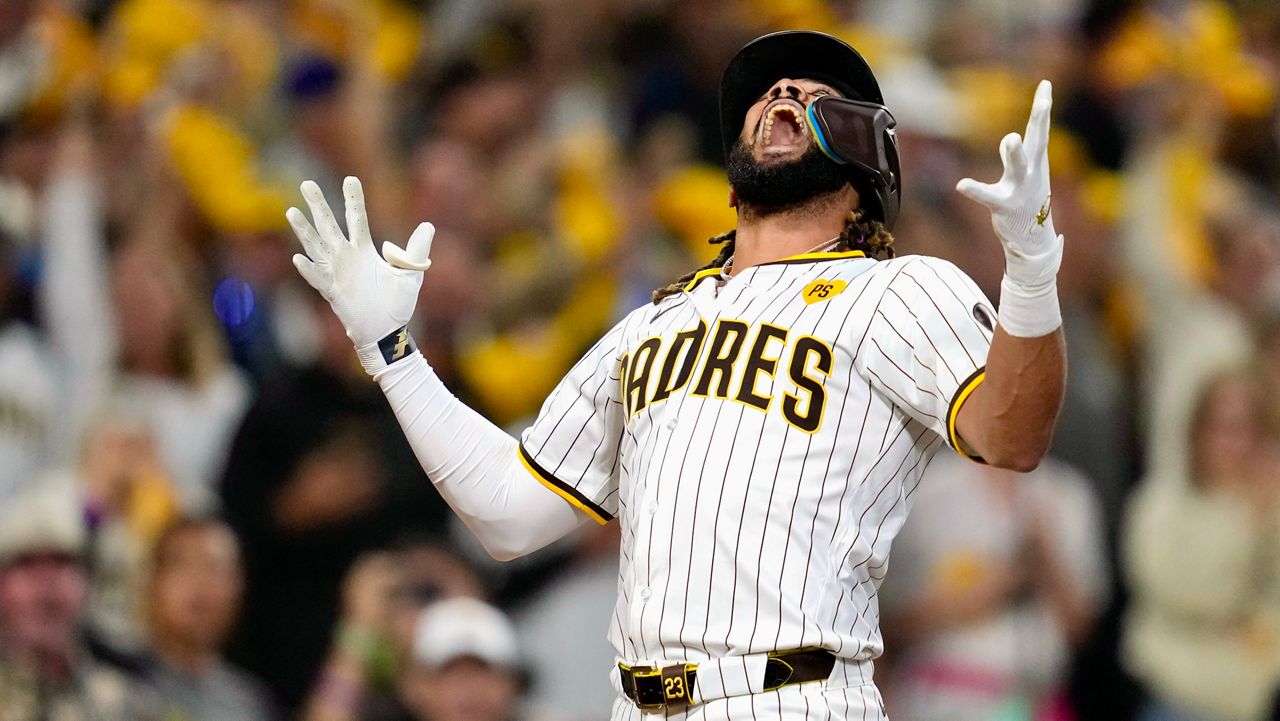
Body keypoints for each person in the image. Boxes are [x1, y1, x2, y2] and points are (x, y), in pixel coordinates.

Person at [286, 29, 1067, 720]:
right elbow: (508, 512)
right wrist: (391, 348)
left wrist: (1030, 269)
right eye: (767, 93)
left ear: (866, 161)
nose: (784, 91)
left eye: (812, 94)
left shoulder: (901, 287)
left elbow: (1012, 431)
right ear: (730, 183)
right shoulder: (650, 324)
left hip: (794, 696)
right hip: (636, 702)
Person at [1122, 369, 1280, 721]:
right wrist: (1246, 525)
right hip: (1176, 697)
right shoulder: (1160, 504)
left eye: (1251, 428)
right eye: (1227, 428)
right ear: (1198, 432)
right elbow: (1200, 598)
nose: (1240, 444)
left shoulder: (1271, 504)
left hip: (1256, 699)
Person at [0, 482, 162, 721]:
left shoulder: (126, 703)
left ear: (89, 585)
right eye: (26, 563)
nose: (46, 581)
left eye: (63, 562)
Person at [141, 517, 275, 721]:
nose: (201, 583)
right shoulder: (112, 675)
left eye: (217, 568)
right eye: (182, 565)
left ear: (239, 588)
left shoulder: (249, 705)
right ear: (153, 582)